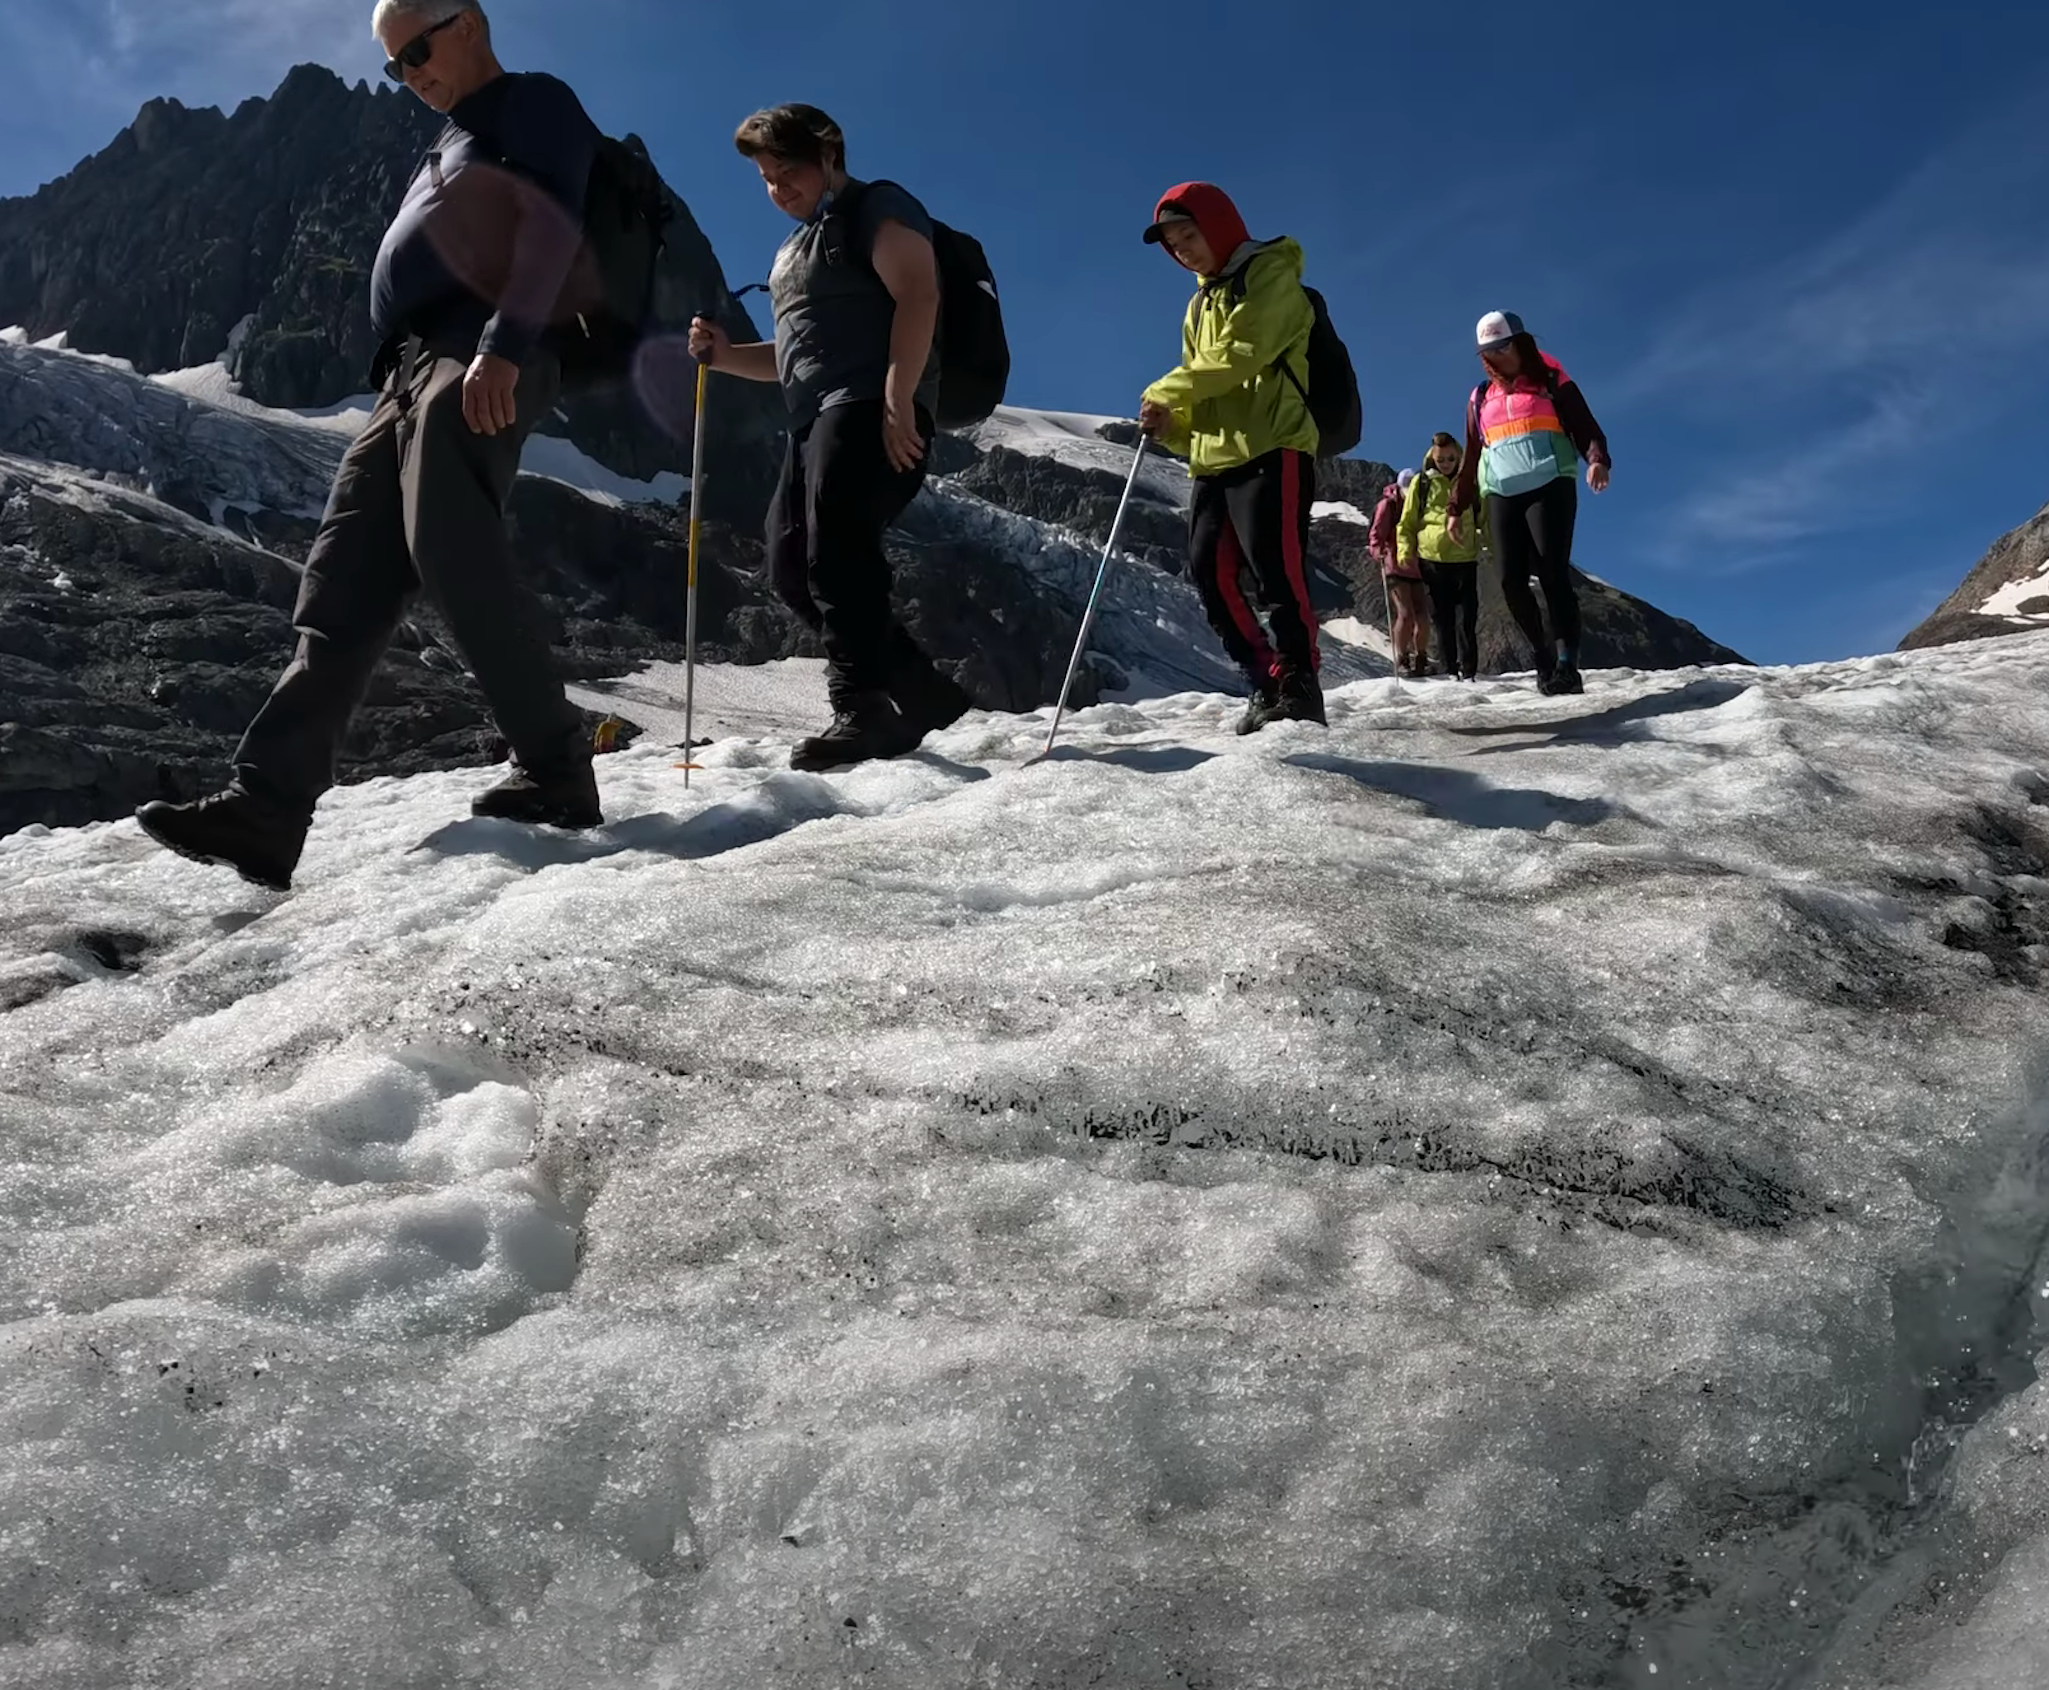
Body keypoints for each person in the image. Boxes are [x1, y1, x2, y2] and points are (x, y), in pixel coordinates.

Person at [137, 0, 605, 891]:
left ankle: (556, 768)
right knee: (342, 578)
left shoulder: (531, 103)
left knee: (449, 542)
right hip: (409, 375)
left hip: (479, 351)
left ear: (467, 22)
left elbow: (552, 220)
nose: (410, 75)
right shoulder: (450, 138)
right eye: (395, 66)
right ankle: (267, 809)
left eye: (417, 51)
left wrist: (502, 347)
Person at [687, 105, 972, 773]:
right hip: (813, 417)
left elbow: (918, 293)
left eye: (787, 171)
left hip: (870, 404)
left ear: (828, 156)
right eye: (764, 177)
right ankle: (922, 694)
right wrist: (726, 355)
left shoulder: (875, 208)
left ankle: (862, 707)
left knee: (835, 550)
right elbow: (790, 355)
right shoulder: (797, 247)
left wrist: (900, 394)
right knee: (790, 568)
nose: (776, 188)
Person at [1136, 182, 1324, 735]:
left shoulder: (1271, 276)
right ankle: (1266, 678)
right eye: (1172, 244)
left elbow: (1241, 355)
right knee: (1209, 573)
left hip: (1274, 444)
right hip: (1215, 460)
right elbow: (1210, 389)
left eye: (1188, 235)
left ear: (1219, 226)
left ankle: (1299, 684)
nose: (1182, 251)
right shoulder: (1198, 305)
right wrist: (1174, 427)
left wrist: (1168, 390)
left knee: (1277, 571)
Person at [1448, 311, 1610, 695]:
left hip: (1550, 483)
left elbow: (1583, 423)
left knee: (1553, 574)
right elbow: (1472, 456)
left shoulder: (1552, 380)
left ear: (1520, 343)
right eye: (1487, 351)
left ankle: (1567, 665)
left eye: (1501, 347)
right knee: (1509, 580)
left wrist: (1598, 459)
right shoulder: (1479, 398)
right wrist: (1456, 508)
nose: (1495, 357)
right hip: (1501, 491)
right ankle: (1542, 658)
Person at [1403, 432, 1488, 681]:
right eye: (1441, 459)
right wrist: (1404, 550)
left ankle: (1469, 670)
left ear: (1459, 455)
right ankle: (1449, 670)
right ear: (1432, 457)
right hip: (1432, 560)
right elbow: (1407, 521)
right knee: (1442, 620)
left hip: (1465, 559)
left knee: (1467, 619)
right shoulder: (1422, 483)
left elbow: (1484, 517)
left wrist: (1493, 549)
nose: (1446, 463)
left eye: (1451, 458)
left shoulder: (1470, 483)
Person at [1382, 467, 1433, 677]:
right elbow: (1377, 532)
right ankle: (1403, 658)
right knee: (1405, 613)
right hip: (1395, 566)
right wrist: (1378, 551)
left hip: (1417, 567)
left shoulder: (1422, 506)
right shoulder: (1389, 506)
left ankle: (1421, 657)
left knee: (1422, 615)